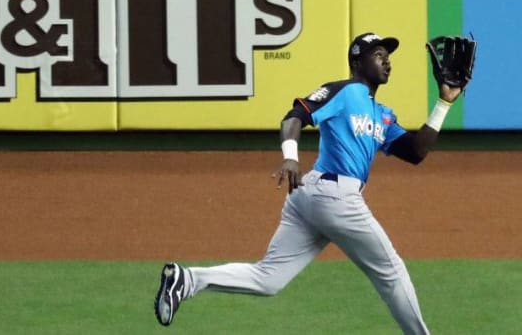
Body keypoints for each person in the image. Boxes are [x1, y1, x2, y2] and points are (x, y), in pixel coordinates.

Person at [154, 32, 464, 334]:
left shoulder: (382, 115)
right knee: (391, 271)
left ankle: (187, 280)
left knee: (268, 279)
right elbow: (294, 116)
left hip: (312, 200)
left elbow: (415, 151)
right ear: (358, 62)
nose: (387, 62)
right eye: (378, 55)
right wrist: (290, 156)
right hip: (333, 197)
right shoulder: (345, 92)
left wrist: (444, 103)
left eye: (388, 56)